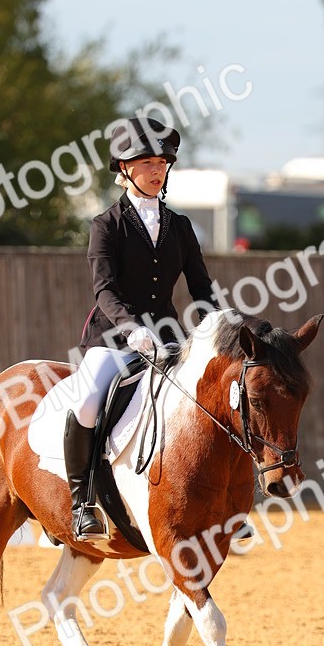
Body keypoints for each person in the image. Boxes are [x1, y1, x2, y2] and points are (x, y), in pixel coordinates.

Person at [63, 116, 219, 540]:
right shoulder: (105, 225)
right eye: (146, 162)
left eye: (162, 162)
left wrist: (222, 326)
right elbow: (104, 289)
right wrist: (131, 327)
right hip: (113, 336)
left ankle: (224, 501)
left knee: (211, 399)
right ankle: (82, 502)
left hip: (167, 336)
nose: (156, 170)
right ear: (124, 169)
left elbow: (201, 288)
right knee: (91, 397)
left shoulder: (181, 227)